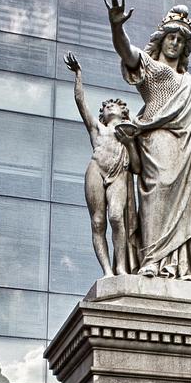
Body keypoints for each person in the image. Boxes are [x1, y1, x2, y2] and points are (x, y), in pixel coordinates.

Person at [105, 0, 191, 281]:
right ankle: (152, 260)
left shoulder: (190, 83)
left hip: (188, 150)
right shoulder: (151, 68)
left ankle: (180, 266)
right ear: (161, 39)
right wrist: (116, 27)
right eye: (171, 37)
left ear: (185, 47)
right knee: (156, 193)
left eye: (181, 40)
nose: (174, 43)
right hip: (156, 143)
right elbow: (127, 53)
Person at [64, 52, 140, 276]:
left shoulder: (129, 133)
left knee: (116, 216)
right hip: (96, 170)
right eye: (106, 106)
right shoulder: (97, 128)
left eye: (113, 105)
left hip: (119, 174)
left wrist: (130, 143)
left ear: (123, 111)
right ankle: (108, 271)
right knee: (98, 222)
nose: (108, 107)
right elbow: (80, 102)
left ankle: (121, 268)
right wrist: (78, 75)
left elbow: (136, 167)